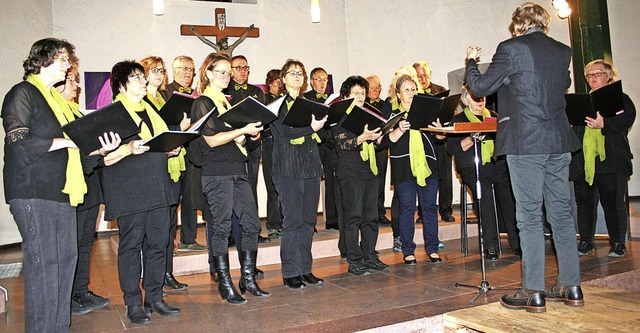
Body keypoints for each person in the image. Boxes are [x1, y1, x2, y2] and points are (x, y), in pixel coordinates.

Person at [465, 2, 583, 313]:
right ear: (544, 22)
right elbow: (561, 85)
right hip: (558, 141)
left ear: (517, 25)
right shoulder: (562, 50)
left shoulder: (511, 47)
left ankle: (533, 290)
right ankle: (570, 284)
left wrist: (471, 62)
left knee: (529, 216)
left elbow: (480, 87)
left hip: (526, 142)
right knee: (561, 213)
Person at [1, 38, 114, 332]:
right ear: (43, 58)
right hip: (33, 190)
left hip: (62, 190)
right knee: (44, 266)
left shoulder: (56, 102)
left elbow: (72, 148)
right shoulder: (23, 92)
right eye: (63, 59)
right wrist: (69, 141)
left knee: (65, 260)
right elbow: (17, 143)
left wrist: (98, 149)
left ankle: (58, 326)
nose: (69, 65)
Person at [102, 60, 183, 324]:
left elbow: (158, 141)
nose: (143, 82)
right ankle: (132, 302)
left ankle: (155, 296)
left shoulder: (149, 109)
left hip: (157, 186)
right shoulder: (112, 113)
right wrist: (127, 149)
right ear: (122, 84)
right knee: (131, 245)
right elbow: (103, 158)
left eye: (143, 77)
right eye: (137, 78)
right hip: (130, 190)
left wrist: (171, 147)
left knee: (159, 243)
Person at [191, 53, 268, 304]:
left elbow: (238, 139)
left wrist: (251, 134)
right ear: (208, 74)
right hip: (217, 172)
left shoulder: (228, 103)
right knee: (222, 228)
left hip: (238, 168)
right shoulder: (203, 102)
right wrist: (242, 130)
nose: (226, 76)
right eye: (221, 72)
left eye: (228, 72)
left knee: (252, 224)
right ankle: (225, 283)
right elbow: (211, 140)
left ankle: (247, 278)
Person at [54, 65, 112, 316]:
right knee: (71, 244)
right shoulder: (55, 113)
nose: (77, 86)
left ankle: (81, 289)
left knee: (86, 241)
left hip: (89, 185)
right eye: (73, 82)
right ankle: (68, 296)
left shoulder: (76, 113)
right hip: (70, 186)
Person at [272, 59, 328, 289]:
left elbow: (322, 137)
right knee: (293, 221)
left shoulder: (309, 104)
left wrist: (321, 125)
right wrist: (311, 129)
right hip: (287, 168)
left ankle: (305, 269)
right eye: (292, 73)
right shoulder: (277, 105)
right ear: (283, 79)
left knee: (308, 222)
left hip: (311, 167)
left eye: (300, 73)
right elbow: (283, 133)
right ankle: (290, 271)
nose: (297, 76)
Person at [447, 85, 520, 261]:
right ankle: (490, 246)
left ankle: (518, 244)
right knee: (485, 197)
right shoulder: (458, 119)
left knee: (510, 197)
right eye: (476, 98)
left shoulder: (494, 116)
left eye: (483, 98)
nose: (481, 101)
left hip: (497, 164)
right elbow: (452, 149)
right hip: (473, 166)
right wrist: (473, 137)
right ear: (466, 100)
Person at [572, 59, 635, 257]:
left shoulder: (620, 98)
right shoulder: (582, 102)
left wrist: (604, 125)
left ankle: (617, 242)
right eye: (589, 75)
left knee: (613, 203)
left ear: (609, 75)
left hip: (611, 159)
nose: (593, 78)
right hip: (585, 162)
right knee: (585, 204)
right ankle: (586, 241)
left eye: (597, 73)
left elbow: (627, 119)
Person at [380, 74, 445, 265]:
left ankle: (432, 248)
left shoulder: (427, 113)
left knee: (430, 208)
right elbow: (382, 142)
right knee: (407, 209)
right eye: (406, 90)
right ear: (398, 94)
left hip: (428, 166)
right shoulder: (392, 116)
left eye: (413, 89)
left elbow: (439, 140)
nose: (411, 93)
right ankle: (408, 250)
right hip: (403, 168)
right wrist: (399, 129)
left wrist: (440, 132)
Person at [140, 55, 190, 291]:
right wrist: (177, 130)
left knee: (170, 222)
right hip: (154, 166)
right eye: (153, 70)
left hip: (173, 162)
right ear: (143, 74)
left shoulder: (163, 97)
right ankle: (153, 275)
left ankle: (167, 271)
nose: (159, 74)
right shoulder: (142, 101)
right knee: (155, 226)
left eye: (161, 70)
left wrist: (181, 131)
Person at [334, 76, 390, 275]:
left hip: (369, 170)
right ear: (346, 96)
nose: (360, 97)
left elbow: (375, 144)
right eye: (355, 93)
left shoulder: (369, 115)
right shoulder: (340, 116)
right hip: (350, 171)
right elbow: (342, 143)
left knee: (371, 216)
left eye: (362, 93)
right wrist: (362, 137)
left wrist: (380, 136)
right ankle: (354, 259)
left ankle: (370, 255)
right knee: (353, 217)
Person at [162, 55, 208, 253]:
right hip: (173, 152)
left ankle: (188, 238)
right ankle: (168, 241)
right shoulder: (165, 93)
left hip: (192, 150)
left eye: (191, 69)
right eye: (184, 68)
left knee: (191, 196)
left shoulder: (197, 94)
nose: (188, 73)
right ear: (174, 70)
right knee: (173, 199)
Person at [224, 55, 271, 245]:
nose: (243, 71)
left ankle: (253, 230)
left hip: (253, 145)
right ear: (231, 70)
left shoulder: (256, 91)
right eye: (238, 67)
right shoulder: (226, 90)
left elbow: (263, 114)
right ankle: (232, 234)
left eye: (246, 67)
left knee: (250, 188)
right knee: (232, 190)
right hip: (232, 145)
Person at [413, 61, 455, 223]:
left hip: (440, 138)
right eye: (419, 76)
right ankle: (424, 213)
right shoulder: (414, 93)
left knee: (445, 176)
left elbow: (450, 113)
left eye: (425, 75)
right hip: (423, 140)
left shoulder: (442, 91)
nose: (423, 79)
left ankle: (446, 211)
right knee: (425, 176)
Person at [304, 67, 340, 231]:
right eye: (319, 79)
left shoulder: (332, 99)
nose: (322, 83)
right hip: (313, 143)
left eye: (325, 79)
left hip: (330, 142)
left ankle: (332, 219)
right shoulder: (305, 99)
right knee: (311, 183)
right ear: (311, 81)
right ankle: (309, 221)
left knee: (332, 181)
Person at [366, 75, 392, 227]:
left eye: (377, 87)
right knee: (367, 181)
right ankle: (368, 214)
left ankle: (380, 213)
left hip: (381, 147)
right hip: (366, 146)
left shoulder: (386, 104)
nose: (375, 90)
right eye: (371, 88)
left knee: (380, 181)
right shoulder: (361, 104)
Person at [263, 68, 285, 239]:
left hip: (283, 144)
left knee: (285, 185)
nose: (280, 86)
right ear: (270, 84)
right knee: (272, 186)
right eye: (278, 83)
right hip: (270, 143)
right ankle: (273, 224)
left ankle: (286, 221)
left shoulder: (285, 100)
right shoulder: (264, 100)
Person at [188, 24, 255, 58]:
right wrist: (194, 31)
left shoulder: (230, 48)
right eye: (224, 44)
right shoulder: (218, 49)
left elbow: (240, 40)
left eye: (226, 44)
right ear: (221, 44)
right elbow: (206, 41)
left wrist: (249, 30)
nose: (226, 45)